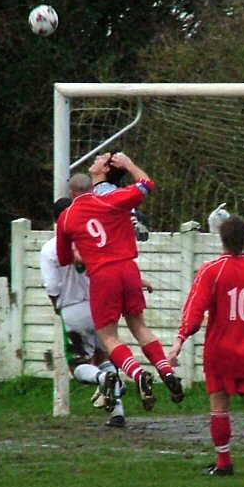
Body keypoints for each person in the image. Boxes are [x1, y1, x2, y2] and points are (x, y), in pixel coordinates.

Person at [56, 152, 184, 411]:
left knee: (110, 337)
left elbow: (64, 256)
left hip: (103, 274)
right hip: (128, 268)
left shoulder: (67, 217)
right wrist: (129, 165)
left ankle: (138, 375)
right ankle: (166, 371)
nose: (98, 157)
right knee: (139, 326)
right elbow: (147, 184)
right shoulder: (113, 199)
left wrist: (87, 254)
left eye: (104, 157)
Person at [167, 214, 244, 477]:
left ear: (221, 239)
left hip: (220, 350)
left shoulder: (211, 270)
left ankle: (224, 462)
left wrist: (179, 342)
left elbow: (194, 312)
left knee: (219, 407)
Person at [40, 197, 126, 427]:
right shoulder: (93, 241)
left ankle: (101, 378)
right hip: (101, 304)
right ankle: (117, 411)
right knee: (104, 355)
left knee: (77, 366)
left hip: (73, 307)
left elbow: (53, 287)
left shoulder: (50, 248)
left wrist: (56, 306)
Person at [89, 151, 149, 241]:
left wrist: (128, 164)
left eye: (102, 157)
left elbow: (146, 184)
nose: (97, 157)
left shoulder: (109, 193)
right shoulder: (91, 189)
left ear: (105, 168)